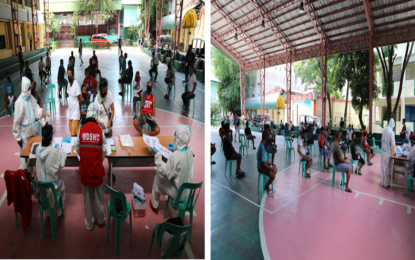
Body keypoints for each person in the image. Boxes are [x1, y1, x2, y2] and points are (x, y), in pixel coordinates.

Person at [149, 125, 194, 214]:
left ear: (177, 138)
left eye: (175, 135)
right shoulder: (189, 153)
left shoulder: (175, 156)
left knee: (158, 177)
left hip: (177, 194)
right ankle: (175, 205)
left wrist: (158, 155)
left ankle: (154, 205)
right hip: (188, 194)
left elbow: (165, 173)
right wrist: (176, 148)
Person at [75, 103, 107, 230]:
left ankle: (89, 223)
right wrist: (98, 159)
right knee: (99, 198)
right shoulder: (100, 131)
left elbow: (78, 148)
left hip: (85, 171)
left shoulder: (81, 130)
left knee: (87, 200)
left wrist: (85, 157)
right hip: (97, 171)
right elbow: (104, 151)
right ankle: (100, 220)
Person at [13, 77, 47, 169]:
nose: (30, 91)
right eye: (28, 89)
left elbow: (36, 108)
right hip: (24, 136)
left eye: (30, 89)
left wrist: (41, 112)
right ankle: (25, 177)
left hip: (32, 133)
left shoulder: (31, 98)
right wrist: (18, 138)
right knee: (24, 160)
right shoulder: (19, 102)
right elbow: (16, 123)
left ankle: (31, 177)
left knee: (32, 157)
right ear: (24, 88)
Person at [35, 124, 67, 217]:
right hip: (53, 190)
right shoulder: (54, 151)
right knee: (62, 186)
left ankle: (48, 213)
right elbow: (62, 163)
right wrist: (59, 147)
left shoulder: (37, 150)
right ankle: (59, 212)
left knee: (45, 178)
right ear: (51, 137)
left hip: (41, 192)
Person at [257, 131, 277, 196]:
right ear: (267, 137)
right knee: (273, 175)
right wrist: (271, 168)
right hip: (261, 167)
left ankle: (268, 184)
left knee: (275, 169)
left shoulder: (262, 144)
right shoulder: (262, 147)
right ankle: (266, 187)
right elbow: (263, 163)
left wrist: (271, 163)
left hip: (264, 165)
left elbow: (265, 159)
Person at [67, 67, 83, 137]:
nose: (69, 77)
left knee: (73, 135)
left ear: (73, 75)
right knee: (72, 134)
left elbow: (80, 99)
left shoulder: (76, 85)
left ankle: (75, 147)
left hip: (75, 114)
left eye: (70, 76)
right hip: (70, 114)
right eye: (68, 76)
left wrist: (79, 110)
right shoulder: (69, 84)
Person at [381, 118, 396, 188]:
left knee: (382, 167)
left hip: (382, 151)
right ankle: (386, 184)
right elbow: (393, 144)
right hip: (387, 152)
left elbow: (382, 140)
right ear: (393, 124)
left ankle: (382, 182)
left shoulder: (384, 129)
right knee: (387, 168)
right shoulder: (391, 132)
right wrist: (394, 152)